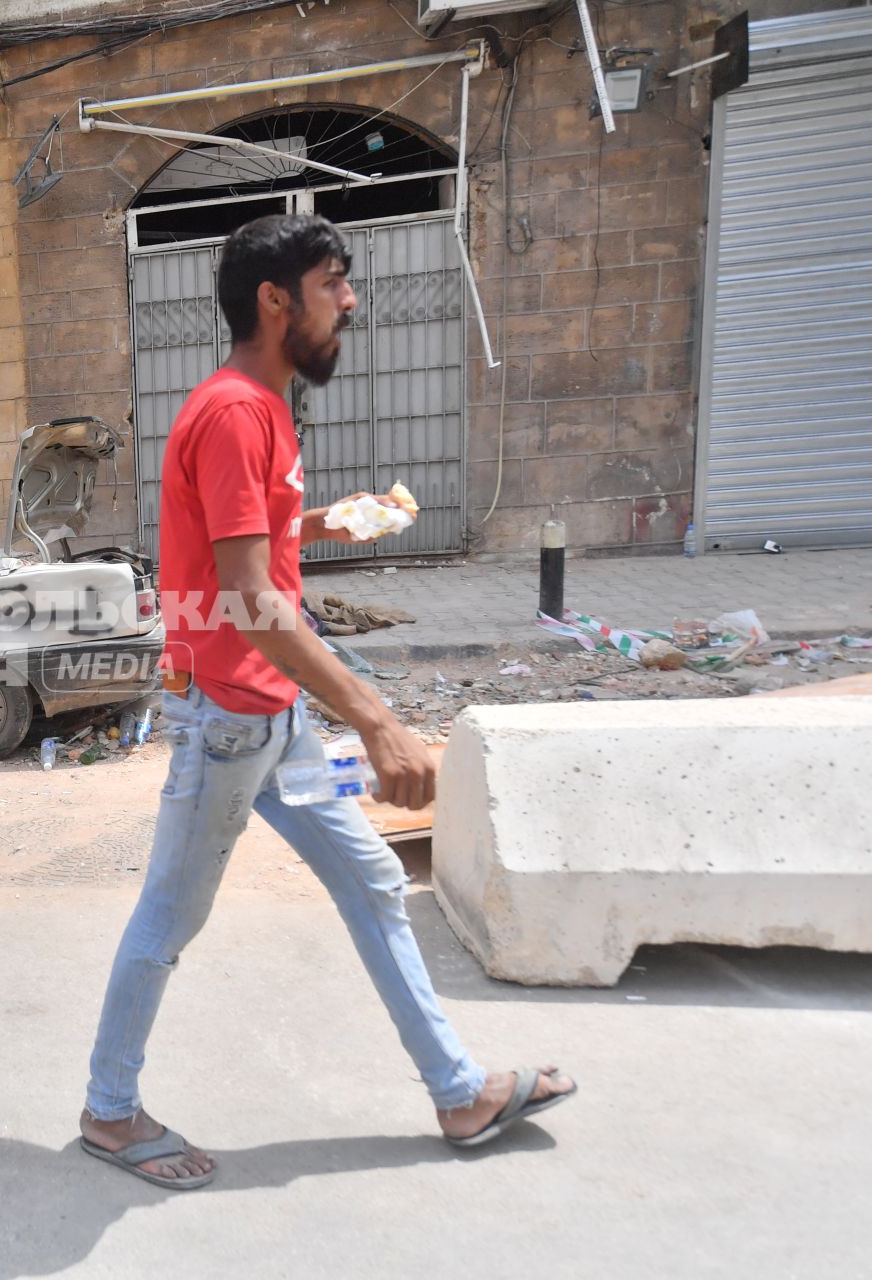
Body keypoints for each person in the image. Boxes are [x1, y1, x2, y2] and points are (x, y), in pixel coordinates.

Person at [78, 214, 575, 1190]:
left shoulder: (263, 408)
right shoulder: (234, 412)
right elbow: (252, 600)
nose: (350, 300)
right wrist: (378, 718)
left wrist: (334, 519)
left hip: (276, 719)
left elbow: (253, 540)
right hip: (230, 720)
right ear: (276, 300)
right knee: (169, 917)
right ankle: (108, 1108)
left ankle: (458, 1088)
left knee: (376, 881)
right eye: (333, 281)